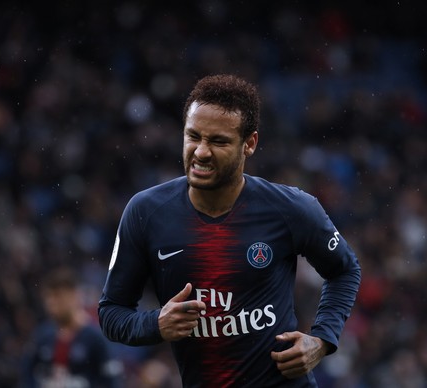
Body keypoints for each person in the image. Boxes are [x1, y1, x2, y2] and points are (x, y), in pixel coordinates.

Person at [98, 74, 361, 387]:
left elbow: (344, 270)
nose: (201, 152)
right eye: (193, 136)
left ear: (249, 144)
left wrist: (322, 340)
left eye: (218, 141)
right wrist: (154, 324)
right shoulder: (145, 212)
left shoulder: (292, 208)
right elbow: (112, 313)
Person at [22, 266, 121, 387]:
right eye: (48, 298)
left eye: (58, 297)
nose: (52, 304)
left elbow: (111, 382)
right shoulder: (42, 336)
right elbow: (26, 376)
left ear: (75, 296)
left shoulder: (96, 339)